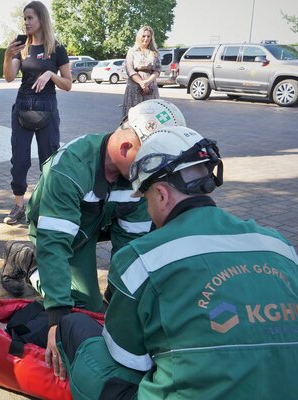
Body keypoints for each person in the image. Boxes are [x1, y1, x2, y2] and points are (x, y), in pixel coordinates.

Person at [57, 126, 298, 398]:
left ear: (161, 194)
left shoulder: (141, 259)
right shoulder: (280, 246)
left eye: (146, 199)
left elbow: (127, 361)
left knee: (74, 329)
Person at [0, 99, 187, 378]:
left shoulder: (137, 176)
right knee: (80, 308)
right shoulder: (70, 169)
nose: (155, 174)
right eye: (152, 161)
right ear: (126, 148)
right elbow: (55, 247)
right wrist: (56, 321)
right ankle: (28, 261)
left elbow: (130, 248)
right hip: (55, 229)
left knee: (103, 312)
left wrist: (120, 303)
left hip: (96, 222)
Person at [2, 0, 72, 225]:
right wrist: (7, 55)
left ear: (41, 18)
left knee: (49, 159)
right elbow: (9, 77)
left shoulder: (57, 48)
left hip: (47, 108)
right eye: (24, 18)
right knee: (20, 159)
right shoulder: (20, 45)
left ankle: (46, 205)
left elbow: (68, 84)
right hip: (22, 107)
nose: (26, 22)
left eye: (30, 18)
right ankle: (18, 206)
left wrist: (51, 74)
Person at [122, 26, 161, 117]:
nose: (146, 38)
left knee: (150, 115)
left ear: (151, 38)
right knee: (133, 115)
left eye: (148, 36)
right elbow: (129, 69)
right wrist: (141, 83)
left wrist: (147, 82)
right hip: (134, 87)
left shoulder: (155, 52)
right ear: (139, 37)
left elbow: (158, 69)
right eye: (144, 36)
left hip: (151, 87)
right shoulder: (132, 51)